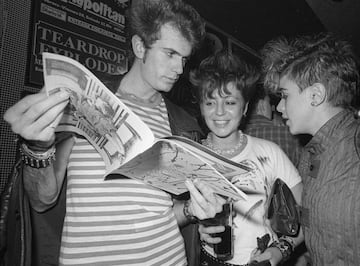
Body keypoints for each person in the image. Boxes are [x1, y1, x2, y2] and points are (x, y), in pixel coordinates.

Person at [2, 0, 225, 265]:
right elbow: (42, 201)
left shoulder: (184, 124)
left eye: (184, 59)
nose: (179, 69)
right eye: (170, 54)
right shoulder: (80, 101)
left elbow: (162, 213)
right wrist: (37, 147)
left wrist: (193, 210)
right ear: (140, 46)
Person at [261, 33, 360, 265]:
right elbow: (315, 227)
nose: (280, 106)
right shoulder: (309, 156)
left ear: (316, 95)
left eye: (285, 96)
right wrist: (282, 248)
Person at [189, 50, 304, 266]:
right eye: (210, 102)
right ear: (201, 108)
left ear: (245, 107)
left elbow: (307, 213)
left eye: (230, 102)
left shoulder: (269, 152)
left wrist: (281, 250)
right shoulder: (189, 158)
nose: (219, 112)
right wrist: (195, 230)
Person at [243, 85, 303, 167]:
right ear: (262, 105)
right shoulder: (289, 134)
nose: (273, 109)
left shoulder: (237, 136)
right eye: (269, 103)